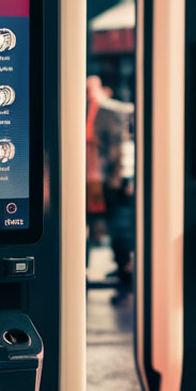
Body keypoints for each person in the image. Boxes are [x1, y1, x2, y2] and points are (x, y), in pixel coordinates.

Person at [86, 75, 134, 301]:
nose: (88, 93)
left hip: (105, 179)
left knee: (117, 225)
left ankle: (124, 268)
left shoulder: (110, 112)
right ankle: (82, 271)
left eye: (91, 88)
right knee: (84, 227)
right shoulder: (79, 110)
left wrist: (120, 178)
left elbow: (118, 148)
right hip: (87, 179)